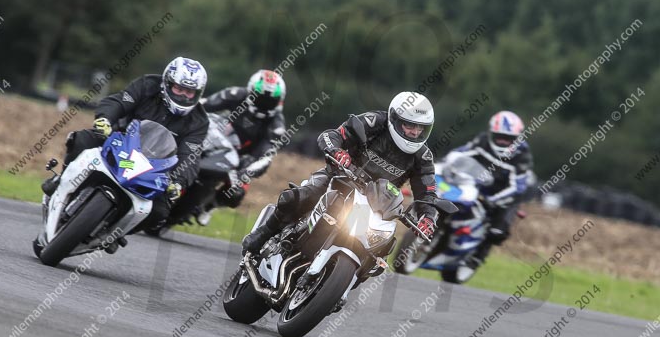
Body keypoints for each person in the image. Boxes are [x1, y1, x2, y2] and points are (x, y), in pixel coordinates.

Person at [242, 91, 440, 254]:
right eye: (409, 125)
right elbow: (332, 135)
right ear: (394, 119)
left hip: (377, 204)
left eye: (421, 128)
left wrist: (428, 218)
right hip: (339, 178)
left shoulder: (423, 157)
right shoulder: (374, 122)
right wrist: (337, 151)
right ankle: (264, 233)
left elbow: (427, 193)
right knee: (300, 197)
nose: (415, 132)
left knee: (383, 249)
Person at [42, 57, 209, 236]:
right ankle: (60, 181)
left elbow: (189, 156)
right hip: (118, 142)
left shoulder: (199, 121)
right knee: (82, 139)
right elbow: (118, 101)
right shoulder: (147, 85)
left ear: (198, 93)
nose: (183, 95)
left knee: (158, 213)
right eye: (179, 89)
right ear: (167, 83)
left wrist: (178, 182)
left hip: (154, 168)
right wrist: (105, 119)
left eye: (189, 92)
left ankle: (111, 235)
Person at [444, 110, 534, 269]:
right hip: (478, 182)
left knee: (497, 230)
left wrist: (493, 200)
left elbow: (517, 187)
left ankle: (478, 256)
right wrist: (447, 162)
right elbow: (462, 151)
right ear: (491, 133)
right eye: (499, 137)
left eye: (508, 138)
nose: (503, 141)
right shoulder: (483, 140)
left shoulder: (522, 155)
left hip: (505, 193)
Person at [198, 70, 287, 225]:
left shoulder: (276, 126)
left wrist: (244, 173)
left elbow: (265, 158)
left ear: (279, 101)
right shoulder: (235, 94)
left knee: (235, 194)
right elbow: (203, 105)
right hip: (213, 140)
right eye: (260, 98)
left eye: (270, 101)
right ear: (250, 92)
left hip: (239, 160)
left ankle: (210, 206)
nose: (264, 103)